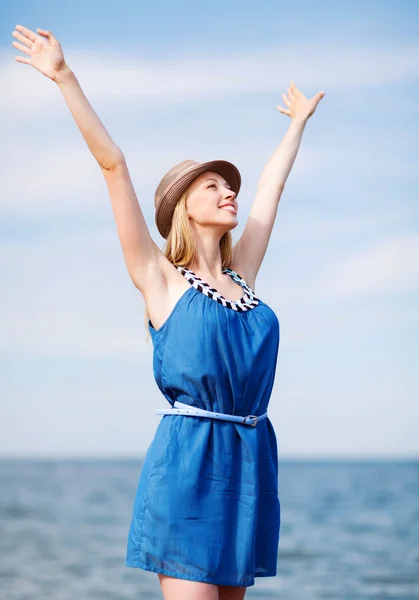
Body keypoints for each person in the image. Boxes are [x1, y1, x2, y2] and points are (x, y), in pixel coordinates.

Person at [12, 24, 325, 600]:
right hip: (189, 463)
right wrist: (64, 77)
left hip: (249, 460)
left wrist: (298, 125)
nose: (229, 192)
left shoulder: (243, 278)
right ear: (183, 206)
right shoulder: (158, 278)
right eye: (213, 186)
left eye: (230, 186)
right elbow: (114, 166)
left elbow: (271, 189)